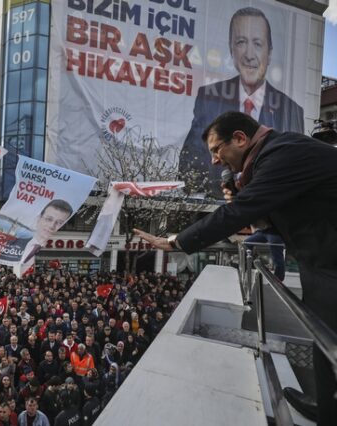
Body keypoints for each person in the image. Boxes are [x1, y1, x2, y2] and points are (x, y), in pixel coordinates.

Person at [135, 111, 337, 425]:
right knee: (323, 340)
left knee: (330, 343)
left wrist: (177, 241)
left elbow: (240, 214)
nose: (215, 160)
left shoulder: (282, 154)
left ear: (240, 138)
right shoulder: (268, 160)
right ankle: (326, 406)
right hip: (322, 260)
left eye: (217, 150)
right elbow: (274, 217)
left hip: (331, 263)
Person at [178, 7, 304, 196]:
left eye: (258, 43)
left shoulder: (291, 110)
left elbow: (293, 169)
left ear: (269, 53)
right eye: (241, 42)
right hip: (216, 205)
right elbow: (192, 159)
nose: (249, 54)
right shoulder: (208, 96)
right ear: (231, 49)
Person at [20, 200, 74, 266]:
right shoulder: (20, 241)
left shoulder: (53, 252)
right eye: (49, 219)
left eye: (59, 223)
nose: (52, 226)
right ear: (39, 218)